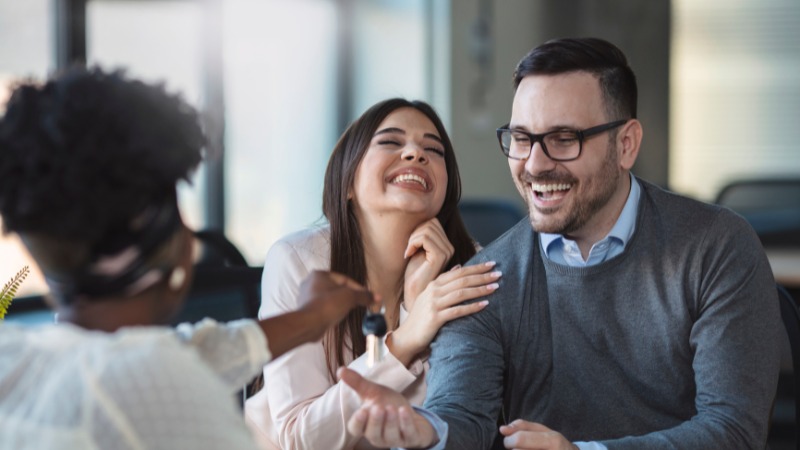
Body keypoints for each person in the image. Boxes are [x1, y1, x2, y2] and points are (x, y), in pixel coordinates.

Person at [339, 37, 782, 449]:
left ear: (625, 145)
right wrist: (423, 430)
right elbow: (462, 416)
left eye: (563, 139)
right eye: (521, 139)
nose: (534, 164)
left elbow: (733, 429)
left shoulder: (717, 245)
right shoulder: (486, 279)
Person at [0, 67, 377, 449]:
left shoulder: (14, 358)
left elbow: (189, 354)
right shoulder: (164, 395)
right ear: (166, 240)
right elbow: (163, 373)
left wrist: (309, 320)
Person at [244, 98, 501, 449]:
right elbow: (301, 438)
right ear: (347, 182)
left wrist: (415, 301)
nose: (415, 153)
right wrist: (407, 337)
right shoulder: (297, 260)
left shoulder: (471, 267)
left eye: (433, 149)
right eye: (391, 142)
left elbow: (453, 423)